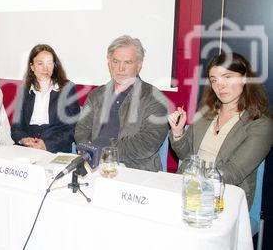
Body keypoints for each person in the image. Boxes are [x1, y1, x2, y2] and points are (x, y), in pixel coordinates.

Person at [169, 53, 273, 206]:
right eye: (214, 80)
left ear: (245, 78)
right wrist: (178, 132)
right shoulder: (205, 113)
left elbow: (232, 173)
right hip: (186, 189)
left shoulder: (260, 125)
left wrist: (192, 178)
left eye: (227, 77)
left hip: (222, 197)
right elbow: (186, 156)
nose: (220, 85)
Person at [75, 35, 168, 171]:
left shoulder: (154, 98)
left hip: (134, 169)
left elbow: (148, 143)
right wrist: (87, 148)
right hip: (94, 165)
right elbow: (81, 129)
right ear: (109, 62)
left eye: (128, 62)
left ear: (139, 65)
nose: (120, 68)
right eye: (116, 61)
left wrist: (104, 150)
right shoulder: (96, 95)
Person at [11, 44, 80, 153]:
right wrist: (24, 139)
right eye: (40, 63)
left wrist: (47, 144)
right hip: (27, 148)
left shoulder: (67, 88)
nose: (45, 68)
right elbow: (16, 128)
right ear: (32, 67)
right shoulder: (24, 90)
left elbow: (73, 129)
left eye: (49, 63)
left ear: (54, 65)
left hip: (55, 149)